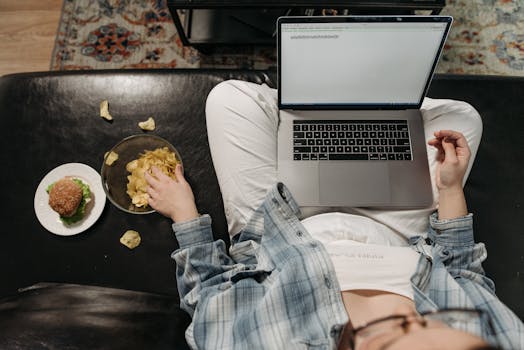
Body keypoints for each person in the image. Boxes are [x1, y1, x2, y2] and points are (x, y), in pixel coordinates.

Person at [145, 80, 524, 349]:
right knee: (464, 118)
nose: (408, 313)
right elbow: (463, 274)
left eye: (400, 330)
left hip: (278, 228)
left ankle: (318, 95)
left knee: (230, 98)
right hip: (396, 227)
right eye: (426, 319)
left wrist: (185, 214)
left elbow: (206, 296)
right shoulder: (505, 339)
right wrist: (450, 187)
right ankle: (349, 100)